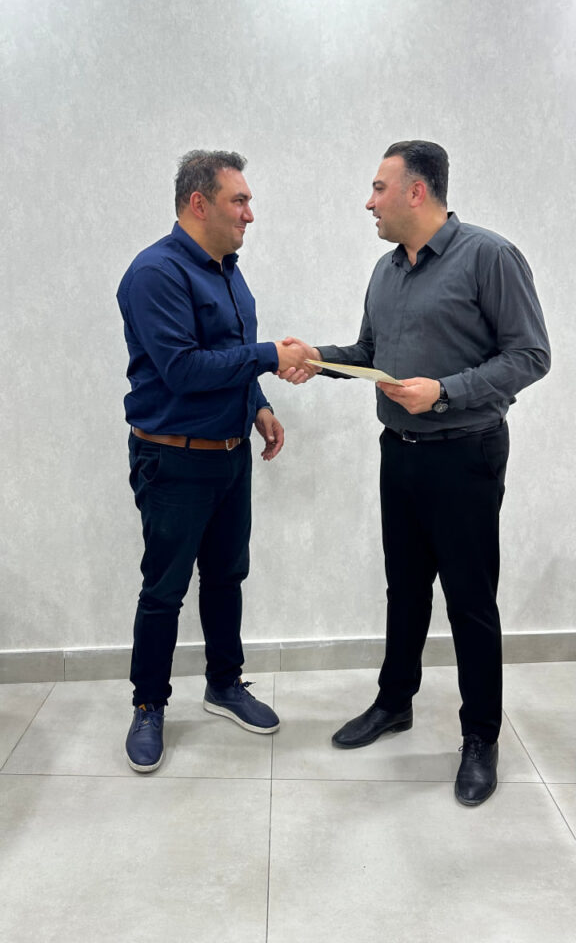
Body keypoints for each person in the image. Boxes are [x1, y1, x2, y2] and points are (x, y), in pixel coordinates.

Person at [280, 140, 550, 806]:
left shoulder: (489, 256)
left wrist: (446, 391)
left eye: (379, 188)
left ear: (417, 191)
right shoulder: (385, 271)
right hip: (398, 451)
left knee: (470, 601)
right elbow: (370, 351)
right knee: (404, 587)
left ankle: (480, 737)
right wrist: (319, 357)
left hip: (466, 455)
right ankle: (394, 701)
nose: (368, 202)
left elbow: (530, 354)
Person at [117, 150, 309, 772]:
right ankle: (149, 705)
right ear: (199, 204)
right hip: (173, 461)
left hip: (230, 457)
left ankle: (224, 684)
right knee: (164, 590)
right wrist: (268, 356)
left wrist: (259, 407)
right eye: (239, 201)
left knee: (227, 576)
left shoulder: (229, 271)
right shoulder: (155, 273)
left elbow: (228, 356)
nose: (250, 214)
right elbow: (182, 369)